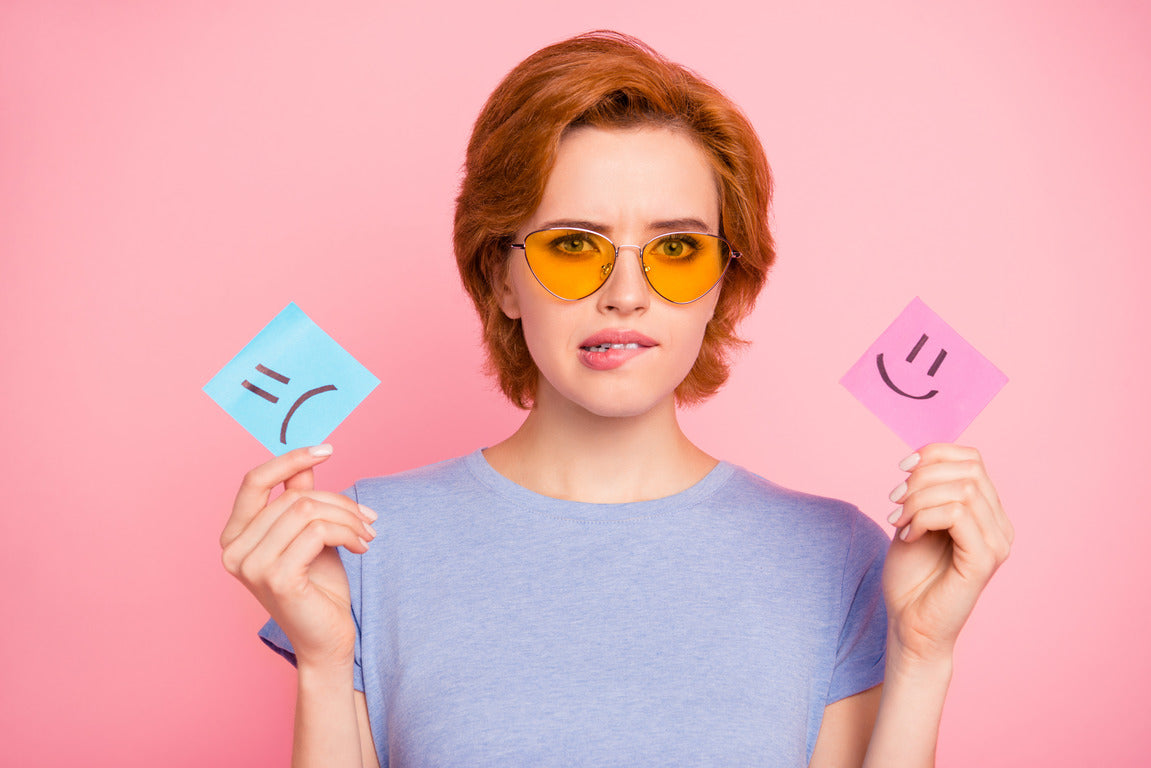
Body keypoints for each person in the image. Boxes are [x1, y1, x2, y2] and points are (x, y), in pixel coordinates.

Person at [220, 31, 1012, 767]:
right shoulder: (363, 544)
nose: (625, 294)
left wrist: (922, 654)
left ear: (723, 285)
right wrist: (323, 666)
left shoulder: (836, 552)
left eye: (676, 249)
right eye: (573, 246)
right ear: (501, 276)